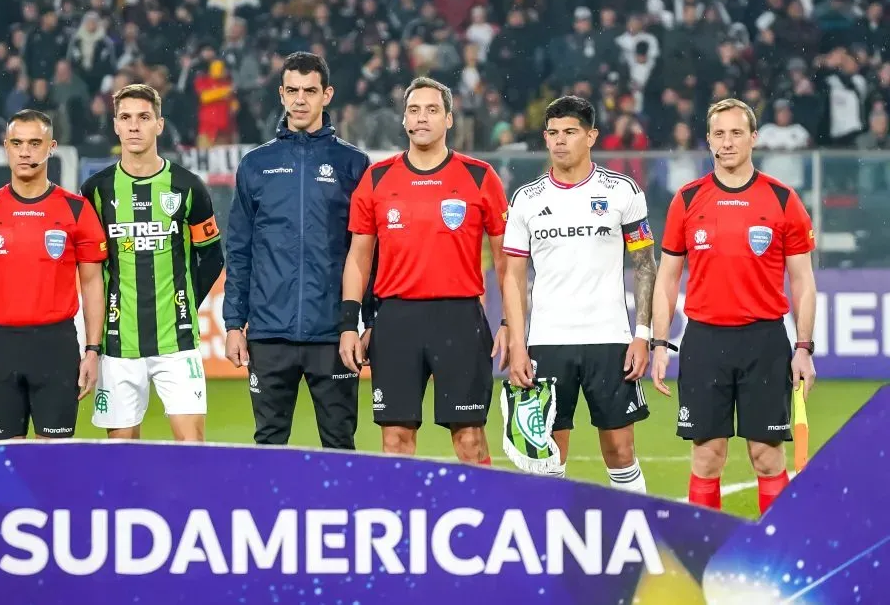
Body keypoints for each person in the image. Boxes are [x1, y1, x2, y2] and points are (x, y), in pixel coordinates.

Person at [651, 97, 818, 514]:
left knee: (768, 457)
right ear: (708, 140)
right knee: (707, 458)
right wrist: (658, 342)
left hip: (764, 341)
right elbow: (667, 277)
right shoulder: (687, 200)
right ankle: (702, 556)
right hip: (704, 342)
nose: (727, 143)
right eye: (719, 134)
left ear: (753, 138)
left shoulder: (782, 200)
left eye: (736, 133)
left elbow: (802, 280)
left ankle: (774, 557)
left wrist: (803, 347)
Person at [340, 76, 509, 464]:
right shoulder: (377, 178)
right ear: (404, 120)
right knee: (396, 440)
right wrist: (350, 323)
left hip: (460, 317)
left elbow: (507, 259)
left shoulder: (480, 176)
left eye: (432, 110)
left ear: (449, 119)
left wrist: (510, 323)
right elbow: (358, 258)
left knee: (469, 440)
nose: (422, 118)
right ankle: (403, 524)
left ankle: (480, 521)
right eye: (414, 110)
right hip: (397, 320)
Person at [501, 95, 656, 491]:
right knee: (547, 457)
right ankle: (550, 547)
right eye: (552, 133)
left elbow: (644, 265)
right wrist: (518, 344)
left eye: (570, 132)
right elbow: (514, 277)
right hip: (549, 342)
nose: (559, 141)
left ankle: (635, 541)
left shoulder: (622, 191)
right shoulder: (526, 200)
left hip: (610, 340)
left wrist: (642, 335)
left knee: (620, 451)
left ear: (591, 136)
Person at [224, 52, 371, 450]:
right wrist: (234, 324)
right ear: (281, 94)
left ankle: (340, 514)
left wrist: (365, 321)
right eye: (292, 91)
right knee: (269, 445)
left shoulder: (353, 164)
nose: (300, 100)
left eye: (309, 91)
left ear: (327, 95)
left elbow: (366, 251)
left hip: (332, 334)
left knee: (340, 444)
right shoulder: (256, 164)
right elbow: (239, 250)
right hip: (269, 333)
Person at [81, 84, 224, 442]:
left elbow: (211, 254)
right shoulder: (96, 190)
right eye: (125, 118)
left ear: (159, 125)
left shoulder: (187, 186)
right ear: (115, 125)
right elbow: (90, 268)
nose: (134, 126)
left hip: (177, 341)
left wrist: (185, 300)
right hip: (118, 344)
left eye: (143, 118)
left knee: (193, 450)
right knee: (121, 460)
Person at [0, 109, 107, 440]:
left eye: (35, 143)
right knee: (6, 463)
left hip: (56, 347)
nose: (25, 152)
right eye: (17, 143)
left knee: (53, 463)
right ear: (5, 146)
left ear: (51, 147)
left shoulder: (76, 209)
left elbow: (94, 284)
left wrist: (93, 350)